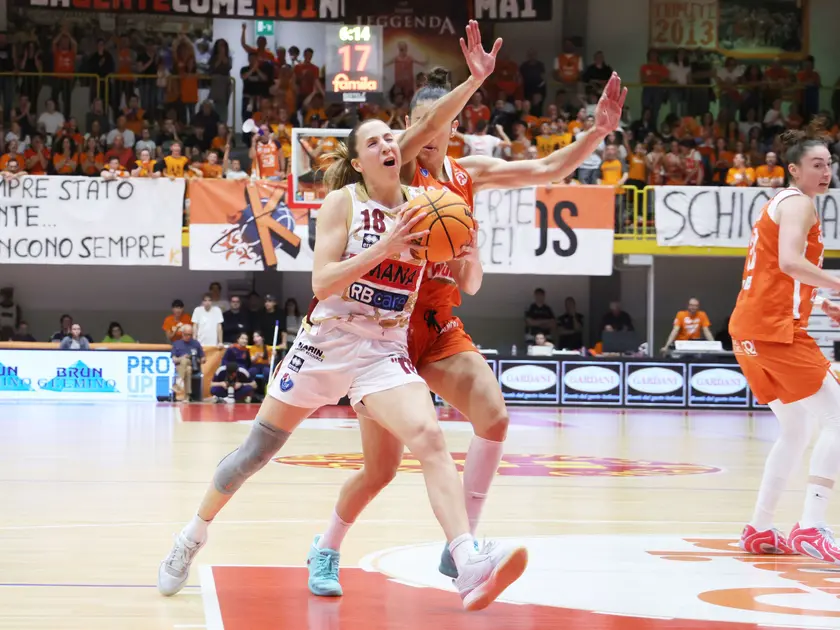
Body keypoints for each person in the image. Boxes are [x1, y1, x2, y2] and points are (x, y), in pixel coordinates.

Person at [158, 44, 527, 609]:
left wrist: (475, 81)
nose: (386, 144)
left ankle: (466, 560)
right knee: (253, 453)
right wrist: (383, 248)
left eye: (389, 138)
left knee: (429, 439)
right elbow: (322, 283)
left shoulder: (424, 207)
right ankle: (192, 534)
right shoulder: (344, 203)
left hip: (381, 352)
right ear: (359, 161)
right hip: (324, 344)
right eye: (374, 141)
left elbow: (434, 127)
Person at [307, 37, 626, 592]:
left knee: (495, 416)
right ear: (412, 125)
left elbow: (547, 167)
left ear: (455, 126)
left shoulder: (466, 173)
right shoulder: (392, 168)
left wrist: (596, 133)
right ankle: (326, 546)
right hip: (381, 334)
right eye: (425, 121)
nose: (437, 131)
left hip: (434, 327)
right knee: (379, 471)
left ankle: (463, 549)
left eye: (444, 121)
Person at [730, 123, 840, 563]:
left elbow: (785, 273)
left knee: (796, 430)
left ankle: (759, 526)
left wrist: (825, 297)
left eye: (829, 164)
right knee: (838, 418)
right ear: (794, 170)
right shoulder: (799, 205)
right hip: (774, 331)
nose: (825, 171)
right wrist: (836, 283)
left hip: (749, 330)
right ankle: (810, 526)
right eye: (816, 164)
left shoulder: (782, 204)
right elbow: (792, 263)